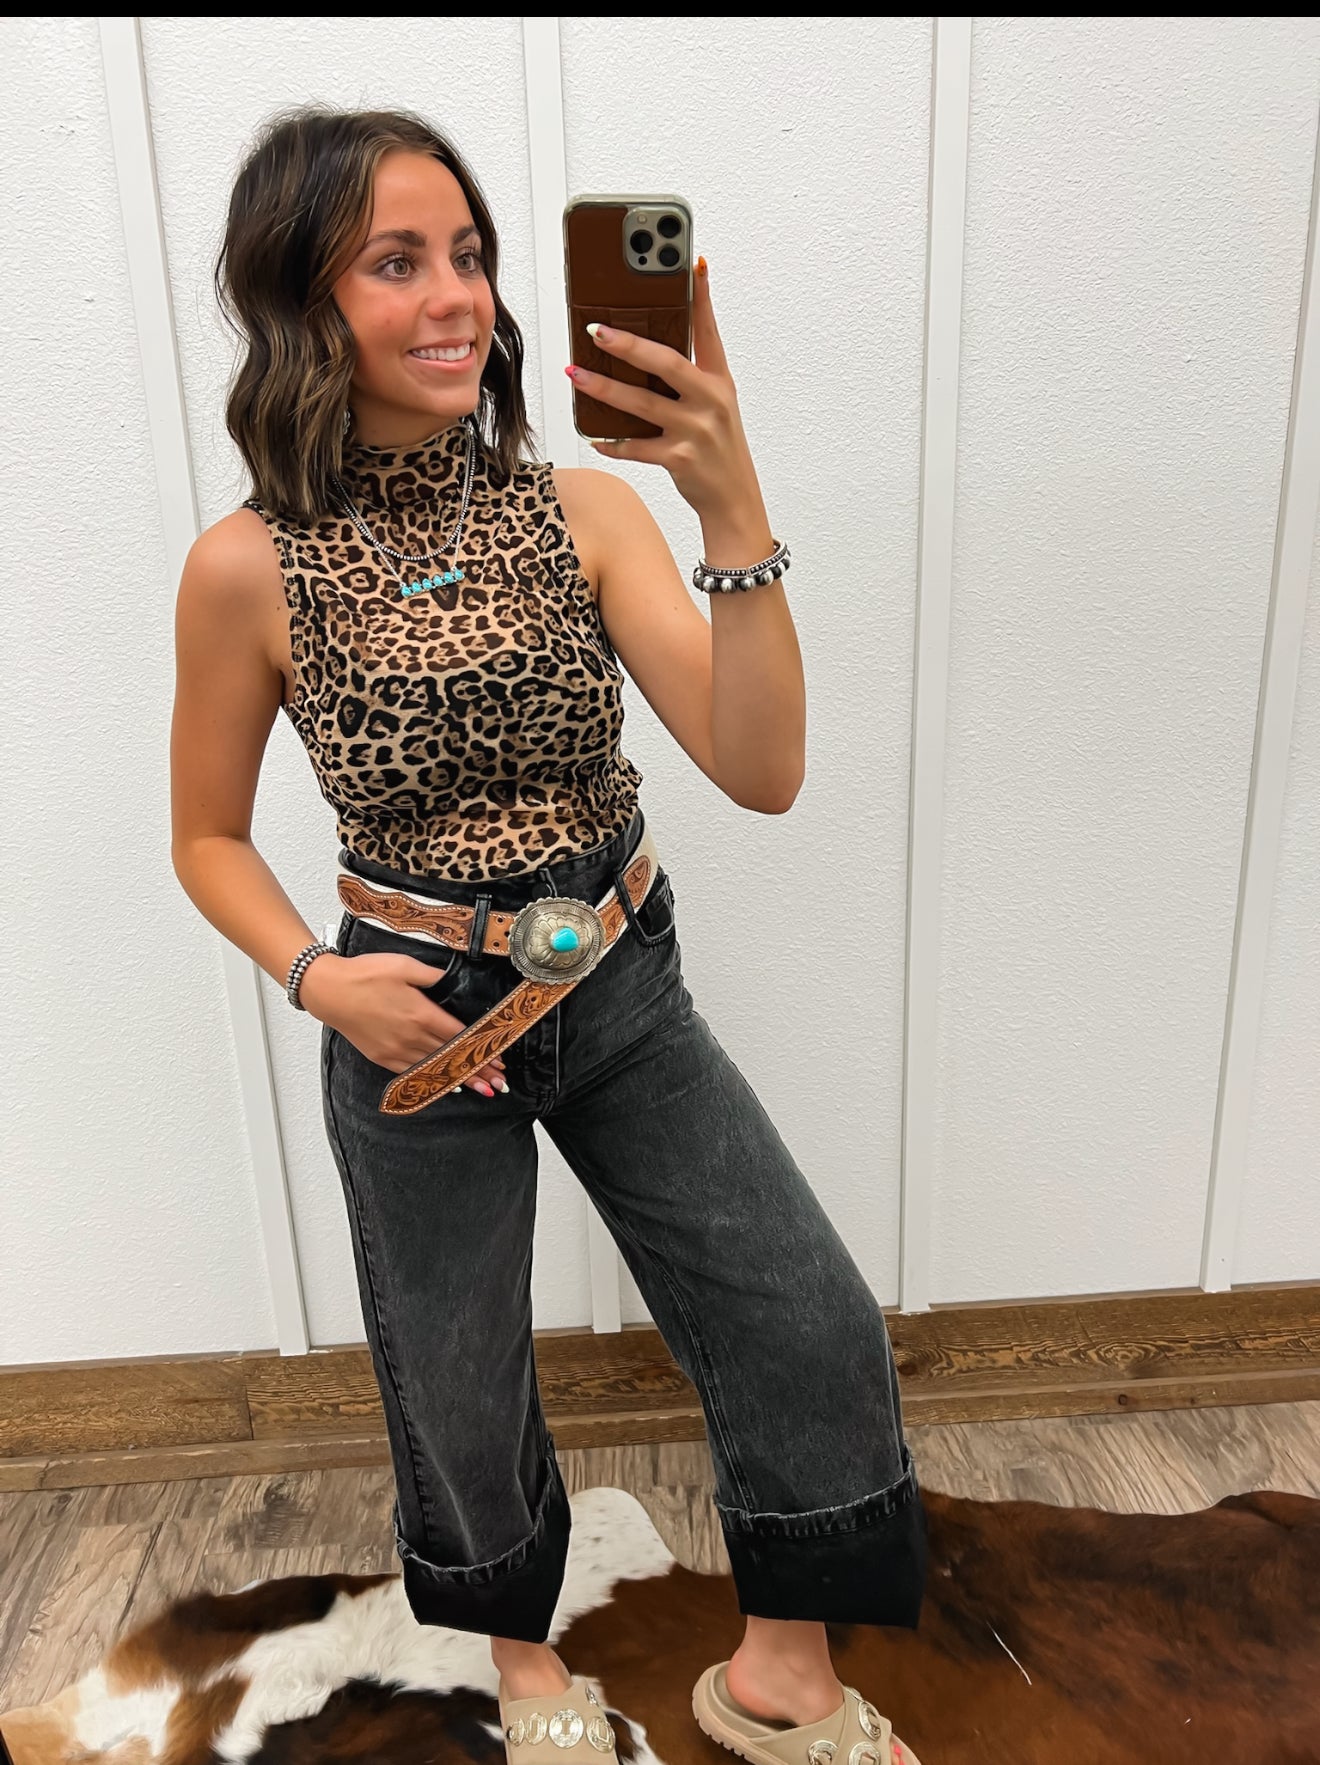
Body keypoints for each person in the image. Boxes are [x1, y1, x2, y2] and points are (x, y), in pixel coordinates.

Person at [170, 105, 927, 1765]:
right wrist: (317, 977)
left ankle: (782, 1675)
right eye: (397, 261)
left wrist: (731, 506)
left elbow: (762, 769)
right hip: (415, 1014)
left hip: (619, 973)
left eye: (470, 254)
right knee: (457, 1374)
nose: (458, 296)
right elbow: (205, 838)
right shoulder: (246, 569)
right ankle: (525, 1669)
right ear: (300, 300)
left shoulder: (582, 509)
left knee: (803, 1313)